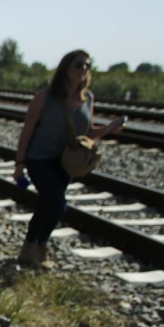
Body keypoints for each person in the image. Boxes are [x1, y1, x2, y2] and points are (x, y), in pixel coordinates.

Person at [13, 50, 124, 268]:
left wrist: (109, 129)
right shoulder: (44, 96)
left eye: (87, 66)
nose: (83, 69)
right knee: (57, 204)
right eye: (79, 65)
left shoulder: (88, 98)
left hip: (66, 163)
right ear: (66, 68)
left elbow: (86, 132)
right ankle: (41, 247)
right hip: (40, 158)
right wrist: (19, 164)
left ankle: (30, 249)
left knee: (47, 204)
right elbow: (26, 132)